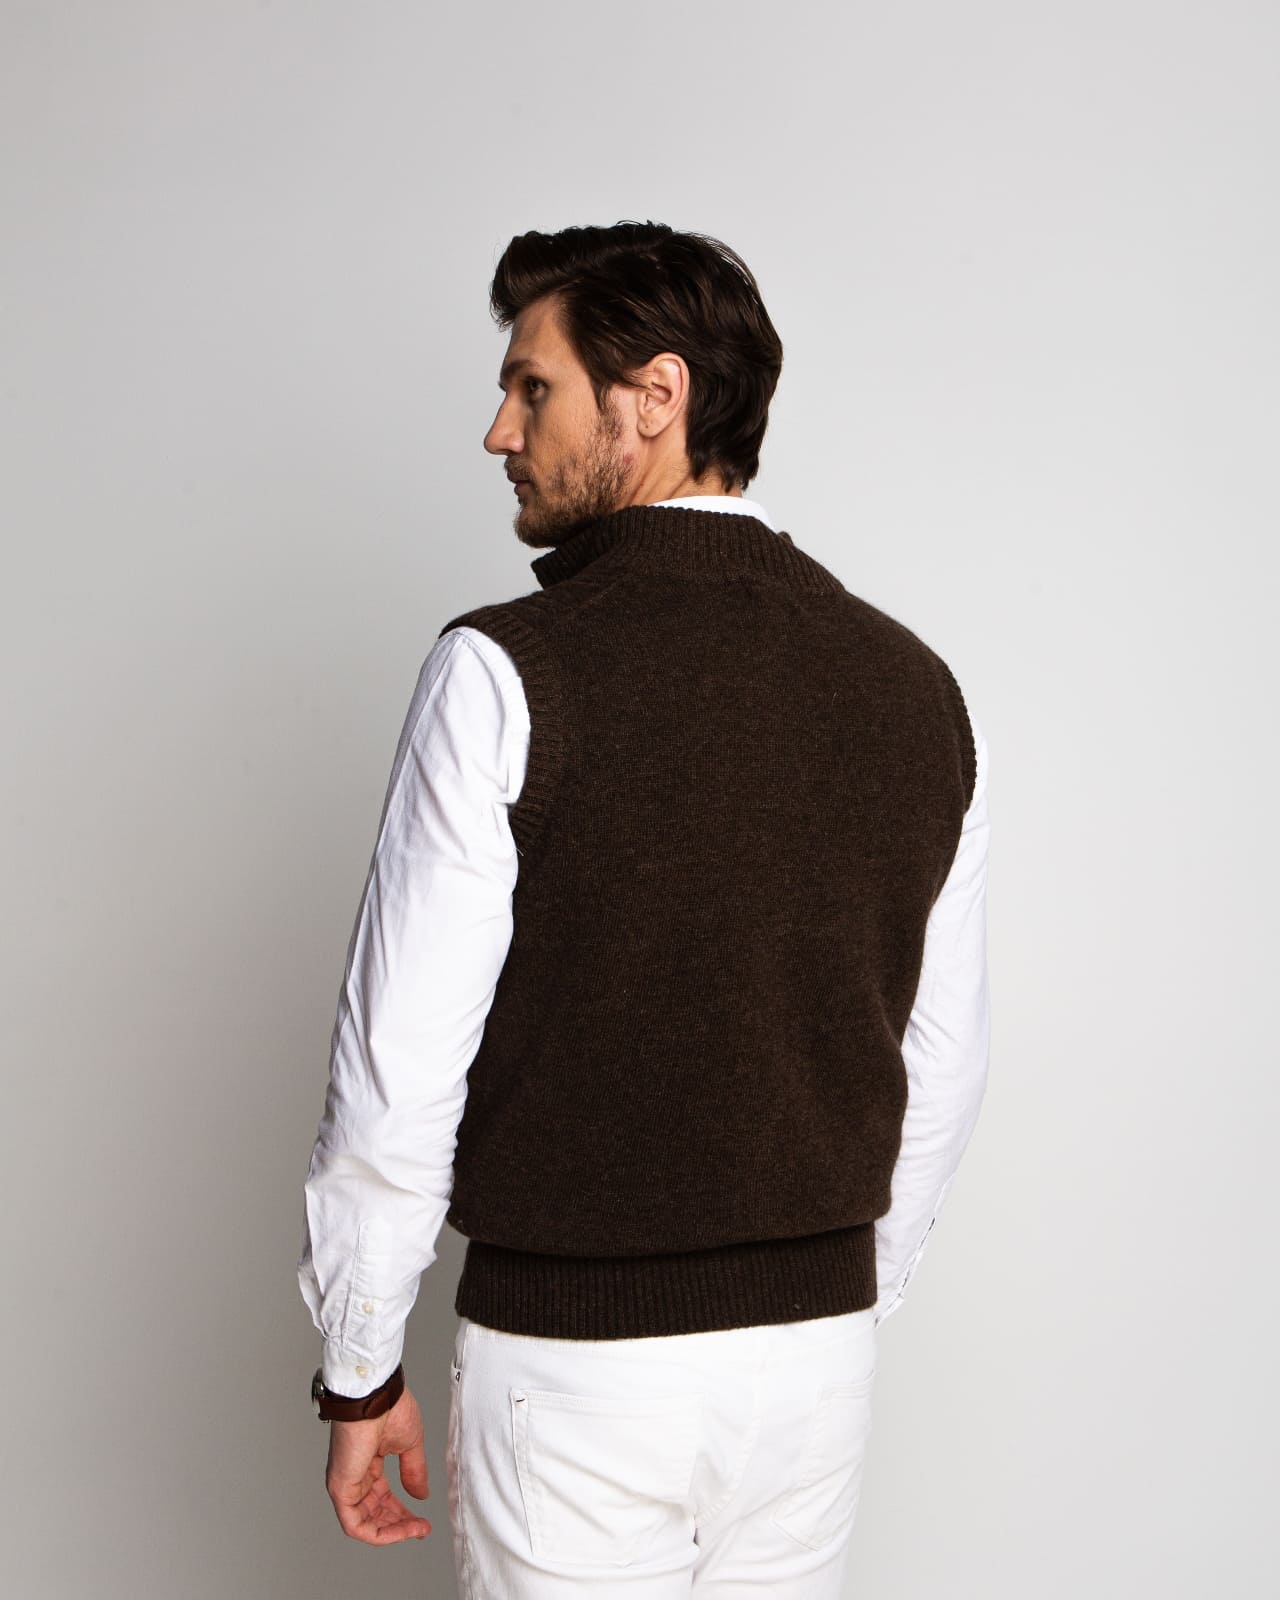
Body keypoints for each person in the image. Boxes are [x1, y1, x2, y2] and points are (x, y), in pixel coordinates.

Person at [297, 221, 991, 1598]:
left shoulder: (505, 672)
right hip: (815, 1370)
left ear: (656, 395)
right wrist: (831, 1296)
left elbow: (396, 1072)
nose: (500, 432)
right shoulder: (917, 686)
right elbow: (944, 1062)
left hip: (577, 1374)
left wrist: (358, 1368)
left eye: (533, 387)